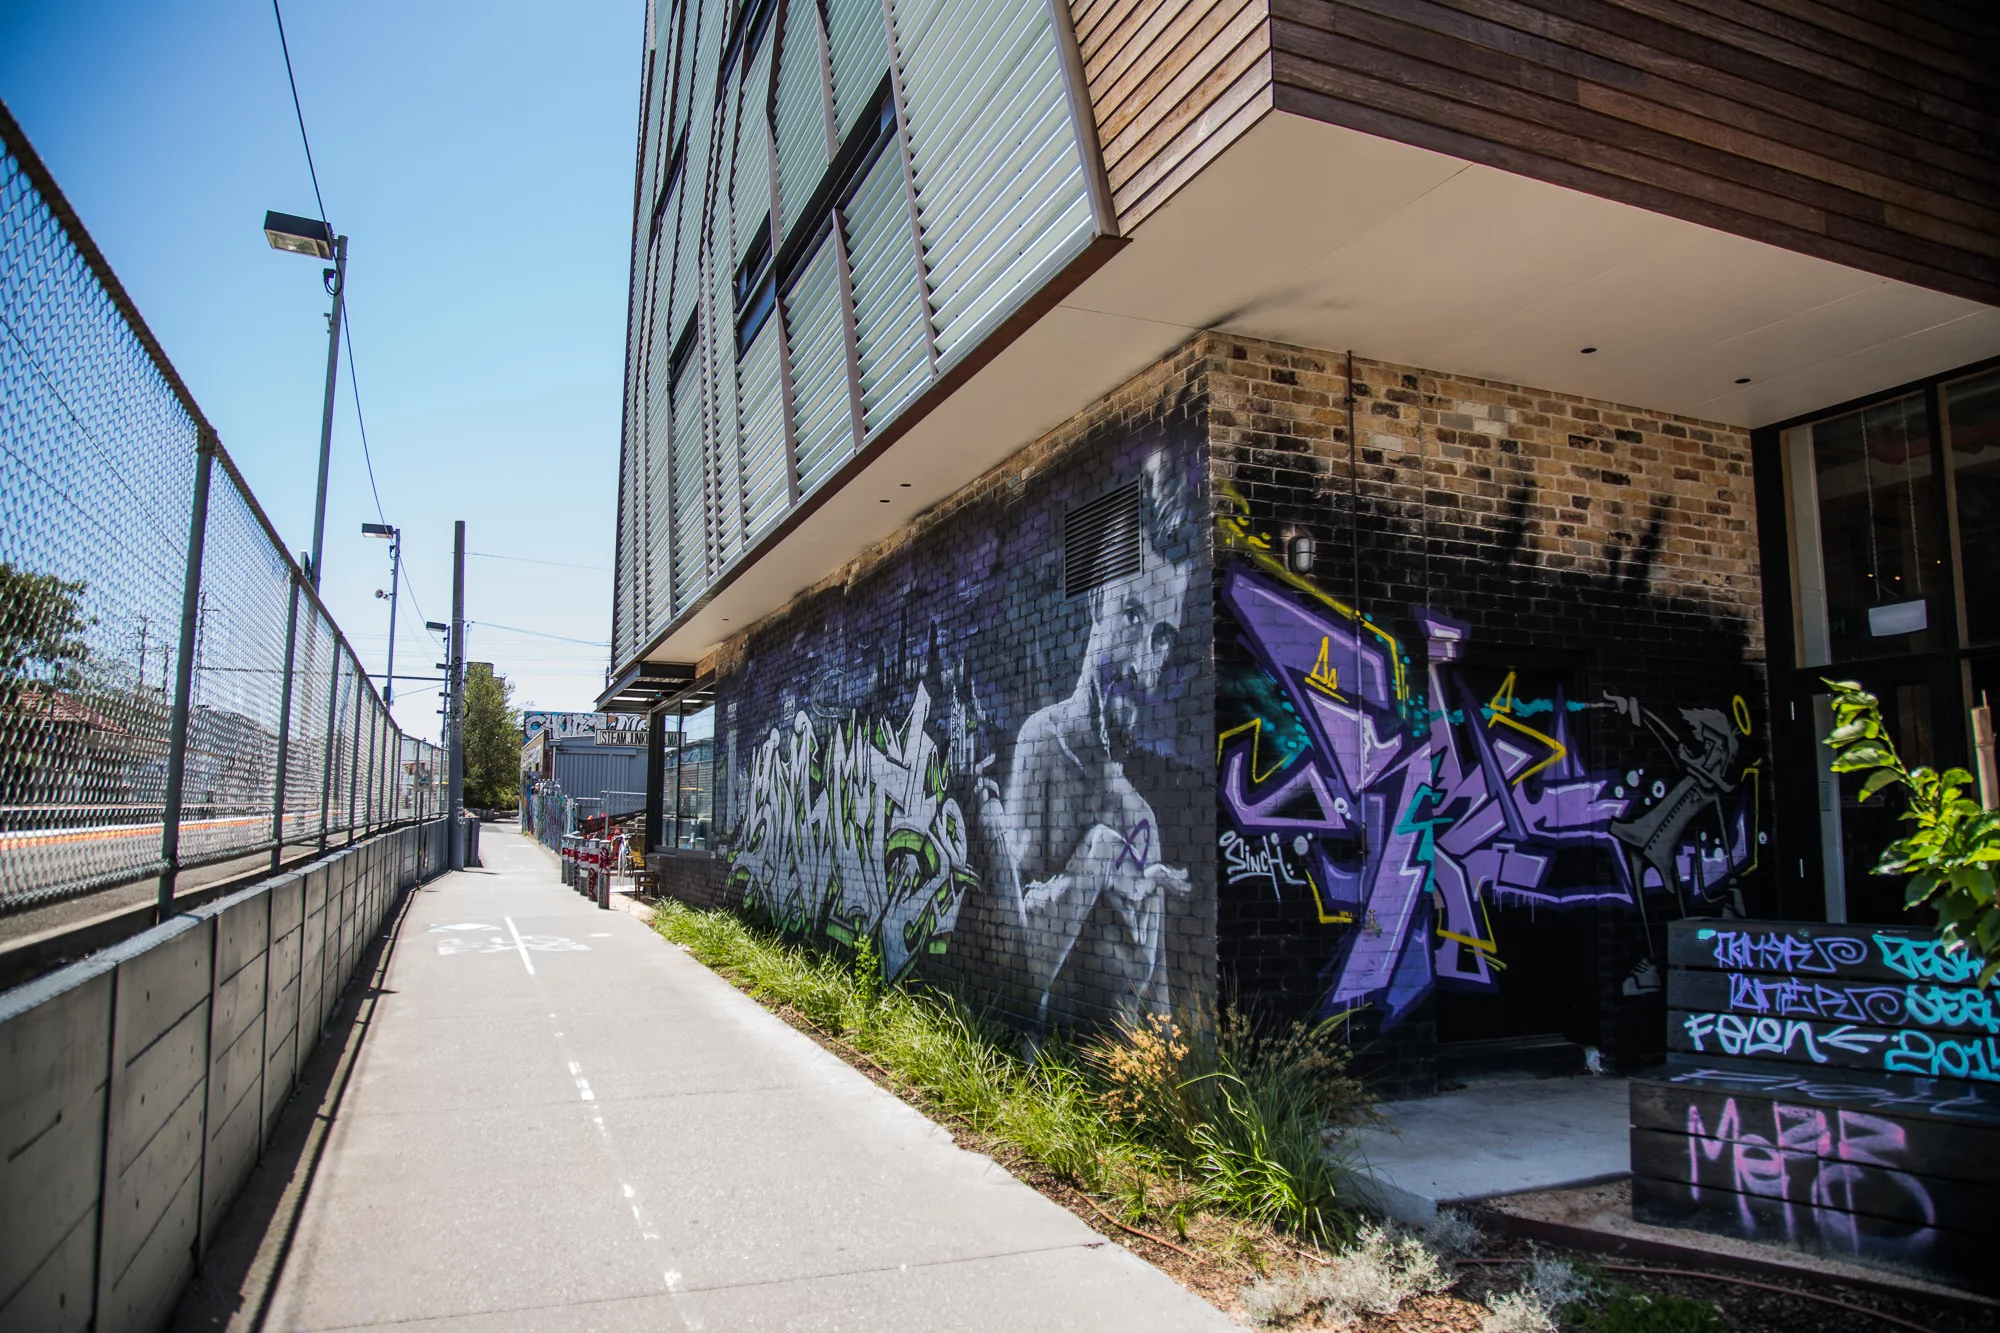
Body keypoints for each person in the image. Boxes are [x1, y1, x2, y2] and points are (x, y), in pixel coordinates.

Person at [973, 450, 1193, 1027]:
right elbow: (1018, 969)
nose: (1145, 660)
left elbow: (1158, 999)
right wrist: (1096, 856)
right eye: (1133, 618)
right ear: (1097, 603)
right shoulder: (1043, 743)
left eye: (1164, 638)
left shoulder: (1139, 814)